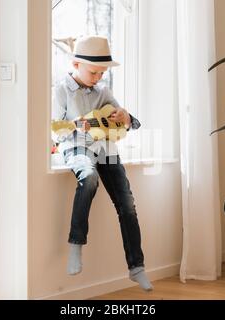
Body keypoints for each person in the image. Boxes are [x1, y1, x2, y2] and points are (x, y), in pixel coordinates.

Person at [52, 35, 153, 291]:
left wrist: (126, 117)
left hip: (106, 148)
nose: (98, 78)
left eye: (102, 73)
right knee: (88, 177)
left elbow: (126, 123)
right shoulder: (60, 90)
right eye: (93, 72)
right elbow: (55, 129)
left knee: (127, 203)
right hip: (76, 146)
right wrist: (76, 125)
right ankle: (76, 245)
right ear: (76, 64)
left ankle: (136, 266)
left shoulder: (104, 92)